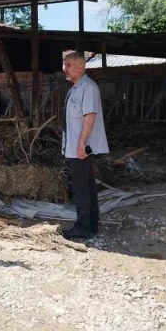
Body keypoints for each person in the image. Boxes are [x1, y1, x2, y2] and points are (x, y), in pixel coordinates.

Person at [61, 51, 109, 239]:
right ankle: (91, 224)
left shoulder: (88, 87)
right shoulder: (76, 88)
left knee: (81, 187)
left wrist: (81, 144)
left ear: (80, 67)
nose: (65, 69)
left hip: (81, 147)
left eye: (68, 65)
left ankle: (83, 227)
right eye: (65, 65)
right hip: (76, 146)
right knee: (87, 185)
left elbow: (90, 116)